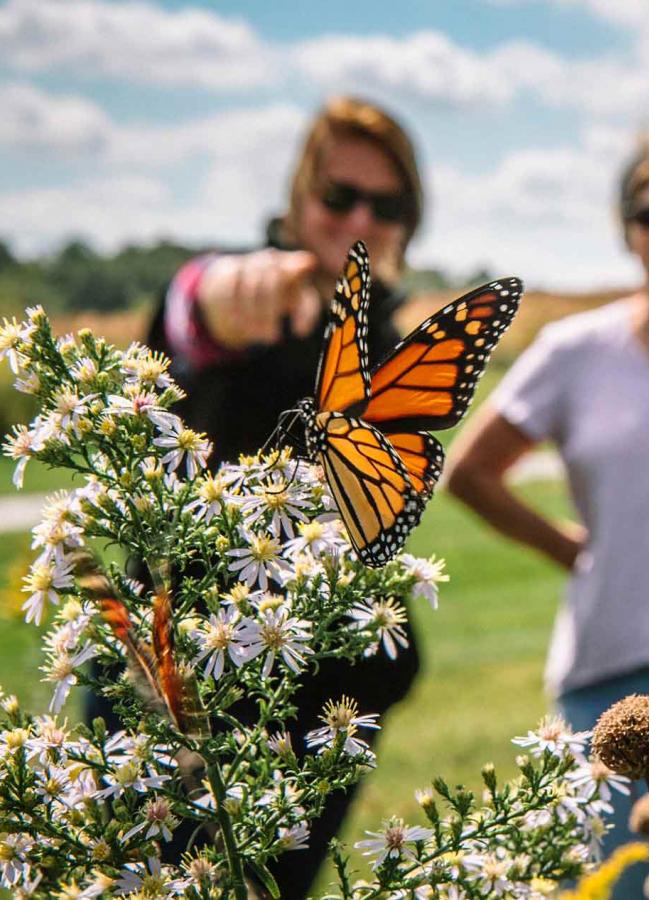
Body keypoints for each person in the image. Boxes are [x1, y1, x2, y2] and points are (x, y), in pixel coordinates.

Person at [150, 96, 424, 898]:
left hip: (327, 695)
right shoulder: (259, 296)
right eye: (340, 196)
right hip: (190, 677)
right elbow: (192, 311)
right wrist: (219, 292)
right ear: (300, 198)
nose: (361, 217)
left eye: (389, 203)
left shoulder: (385, 332)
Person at [444, 131, 649, 899]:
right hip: (609, 673)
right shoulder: (575, 350)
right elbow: (470, 473)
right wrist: (568, 547)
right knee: (623, 887)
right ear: (626, 225)